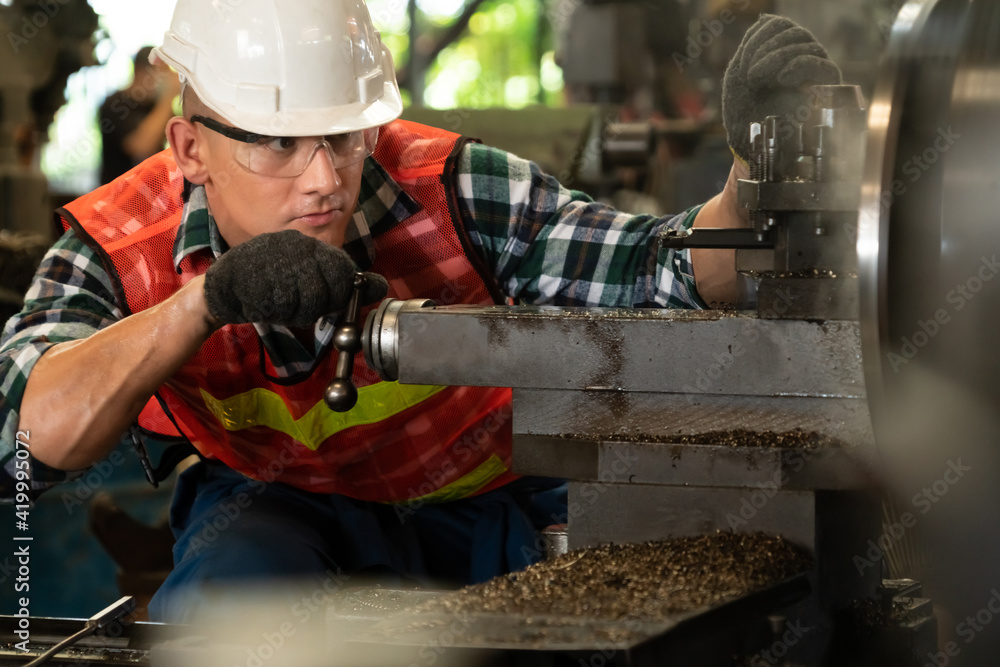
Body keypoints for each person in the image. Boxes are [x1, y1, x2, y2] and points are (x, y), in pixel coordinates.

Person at [0, 1, 841, 623]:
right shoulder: (121, 246)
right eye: (278, 143)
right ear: (190, 148)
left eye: (343, 135)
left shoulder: (450, 188)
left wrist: (755, 175)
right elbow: (35, 436)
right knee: (226, 615)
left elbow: (665, 269)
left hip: (491, 499)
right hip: (273, 503)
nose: (326, 178)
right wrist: (203, 303)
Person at [98, 46, 181, 185]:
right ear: (141, 72)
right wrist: (167, 98)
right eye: (162, 72)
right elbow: (140, 147)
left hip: (152, 195)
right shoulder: (115, 104)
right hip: (117, 195)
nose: (165, 80)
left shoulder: (156, 105)